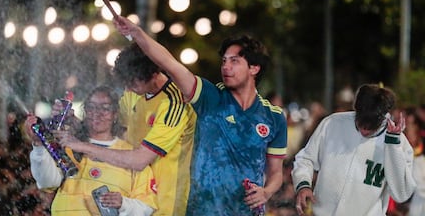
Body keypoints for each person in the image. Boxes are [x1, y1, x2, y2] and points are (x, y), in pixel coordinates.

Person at [112, 15, 288, 215]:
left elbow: (276, 173)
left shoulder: (274, 117)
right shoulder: (210, 98)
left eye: (234, 61)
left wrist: (266, 192)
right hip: (202, 210)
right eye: (223, 61)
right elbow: (169, 63)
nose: (225, 67)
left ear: (254, 68)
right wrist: (137, 32)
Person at [58, 43, 196, 216]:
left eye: (133, 83)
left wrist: (83, 146)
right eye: (126, 83)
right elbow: (107, 127)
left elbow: (139, 160)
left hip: (164, 204)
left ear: (154, 75)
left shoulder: (174, 104)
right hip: (131, 199)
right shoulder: (133, 93)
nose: (129, 88)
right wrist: (72, 118)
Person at [24, 85, 157, 216]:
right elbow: (47, 183)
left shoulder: (132, 156)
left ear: (115, 114)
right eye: (91, 107)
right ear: (85, 110)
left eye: (105, 108)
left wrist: (123, 204)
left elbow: (147, 207)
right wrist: (38, 145)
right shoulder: (69, 144)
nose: (96, 113)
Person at [292, 83, 416, 216]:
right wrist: (303, 184)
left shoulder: (399, 143)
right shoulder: (332, 124)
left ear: (384, 117)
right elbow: (305, 159)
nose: (364, 130)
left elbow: (402, 194)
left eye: (370, 127)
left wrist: (393, 145)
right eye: (361, 123)